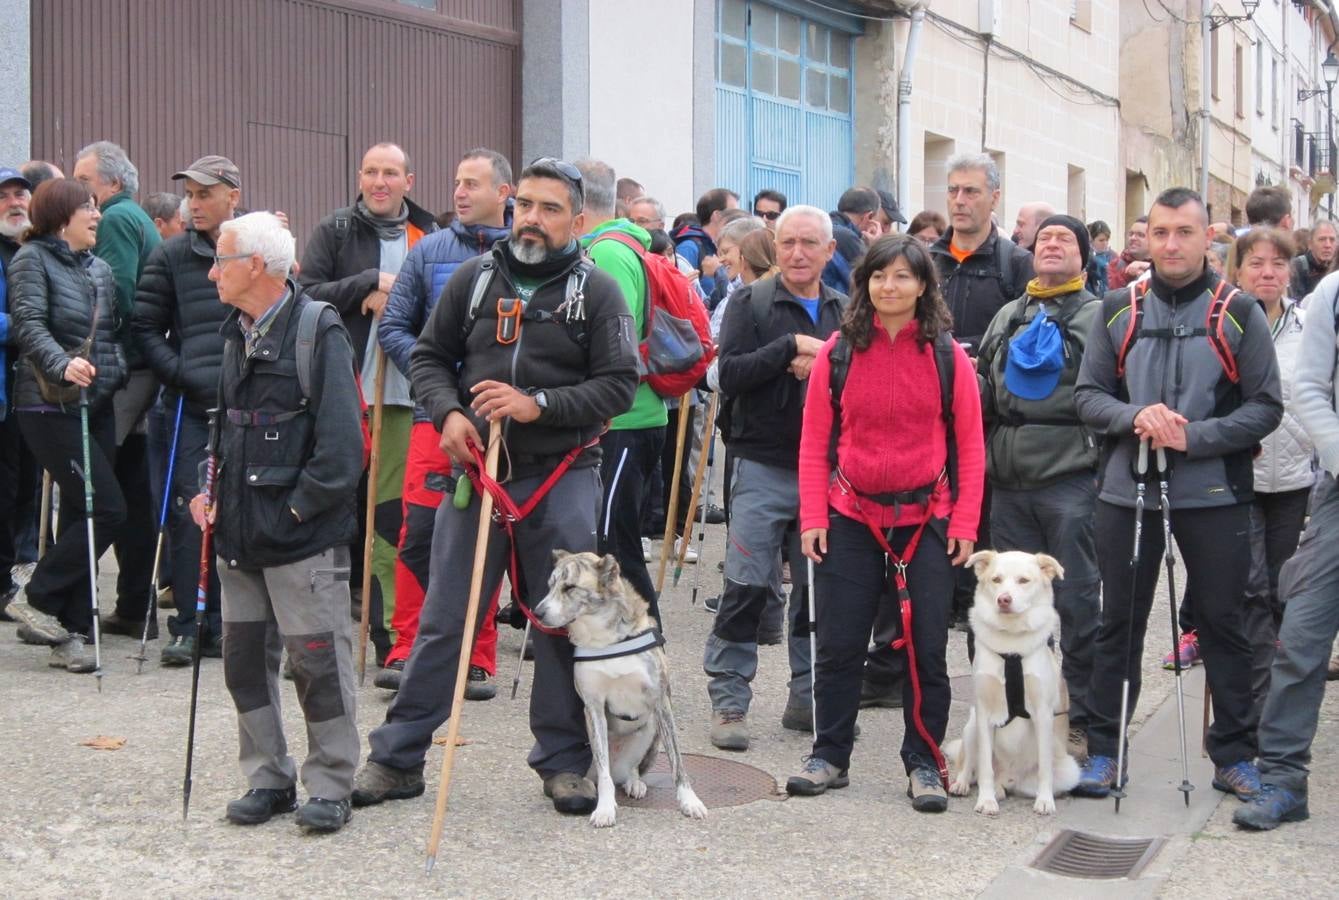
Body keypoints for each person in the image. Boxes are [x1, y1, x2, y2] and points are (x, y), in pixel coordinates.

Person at [351, 158, 639, 818]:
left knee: (559, 624)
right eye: (526, 205)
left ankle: (563, 763)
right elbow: (425, 357)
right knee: (444, 621)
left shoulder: (597, 294)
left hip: (561, 476)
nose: (532, 218)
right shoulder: (472, 281)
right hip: (477, 477)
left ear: (579, 221)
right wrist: (447, 412)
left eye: (549, 208)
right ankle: (396, 759)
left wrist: (539, 403)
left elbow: (619, 383)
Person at [1071, 187, 1282, 799]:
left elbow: (1266, 407)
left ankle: (1234, 755)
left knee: (1224, 623)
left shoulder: (1240, 311)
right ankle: (1105, 752)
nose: (1170, 244)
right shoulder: (1117, 307)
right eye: (1160, 232)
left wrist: (1191, 436)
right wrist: (1137, 418)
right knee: (1120, 623)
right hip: (1125, 490)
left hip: (1215, 491)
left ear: (1206, 236)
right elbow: (1088, 397)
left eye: (1184, 232)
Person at [786, 234, 984, 810]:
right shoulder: (837, 352)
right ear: (864, 284)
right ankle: (829, 755)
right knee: (840, 643)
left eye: (901, 276)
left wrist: (965, 521)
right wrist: (813, 514)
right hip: (849, 518)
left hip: (927, 520)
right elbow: (814, 441)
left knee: (925, 648)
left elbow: (969, 446)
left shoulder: (948, 357)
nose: (888, 286)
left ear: (923, 286)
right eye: (878, 276)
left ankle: (925, 761)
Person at [190, 212, 364, 833]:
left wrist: (292, 512)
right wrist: (205, 488)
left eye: (222, 259)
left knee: (317, 663)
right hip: (237, 533)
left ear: (255, 266)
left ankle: (331, 783)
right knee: (242, 663)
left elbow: (344, 452)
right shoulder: (235, 330)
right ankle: (268, 777)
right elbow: (223, 426)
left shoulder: (319, 330)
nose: (212, 271)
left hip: (300, 539)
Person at [706, 205, 847, 751]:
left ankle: (808, 697)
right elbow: (731, 375)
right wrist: (787, 350)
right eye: (787, 242)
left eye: (809, 243)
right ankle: (729, 701)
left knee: (820, 592)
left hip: (826, 472)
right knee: (746, 586)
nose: (797, 253)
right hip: (761, 465)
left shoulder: (844, 310)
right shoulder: (749, 302)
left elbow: (859, 379)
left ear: (829, 251)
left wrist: (826, 363)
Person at [375, 148, 512, 694]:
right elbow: (395, 327)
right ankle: (409, 646)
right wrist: (436, 379)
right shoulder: (427, 250)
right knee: (419, 533)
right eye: (457, 181)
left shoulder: (525, 258)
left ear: (504, 193)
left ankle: (478, 654)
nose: (459, 192)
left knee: (485, 536)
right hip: (434, 419)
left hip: (497, 422)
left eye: (472, 183)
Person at [299, 142, 438, 663]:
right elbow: (305, 294)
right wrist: (366, 285)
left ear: (409, 179)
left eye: (390, 173)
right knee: (326, 511)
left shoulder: (429, 236)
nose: (379, 181)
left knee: (387, 518)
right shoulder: (335, 230)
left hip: (402, 396)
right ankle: (314, 635)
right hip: (339, 393)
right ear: (359, 177)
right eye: (370, 172)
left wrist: (401, 302)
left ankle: (387, 636)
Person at [975, 215, 1101, 760]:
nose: (1051, 244)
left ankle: (1085, 720)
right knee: (1011, 605)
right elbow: (981, 376)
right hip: (1008, 479)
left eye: (1064, 239)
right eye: (1044, 237)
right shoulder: (1010, 313)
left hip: (1070, 477)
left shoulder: (1101, 315)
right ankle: (1017, 716)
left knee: (1075, 602)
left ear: (1084, 257)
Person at [3, 178, 127, 673]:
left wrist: (113, 383)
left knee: (82, 514)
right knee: (108, 508)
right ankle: (37, 595)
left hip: (94, 404)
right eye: (88, 208)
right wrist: (62, 365)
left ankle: (71, 632)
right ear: (60, 215)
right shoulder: (32, 259)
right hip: (47, 404)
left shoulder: (99, 269)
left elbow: (113, 337)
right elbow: (29, 323)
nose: (97, 216)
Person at [1234, 258, 1339, 830]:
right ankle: (1282, 780)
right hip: (1337, 493)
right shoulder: (1333, 294)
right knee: (1300, 638)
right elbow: (1310, 389)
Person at [132, 154, 244, 665]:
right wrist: (181, 373)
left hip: (246, 403)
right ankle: (189, 623)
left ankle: (230, 624)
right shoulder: (171, 254)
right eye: (191, 195)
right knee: (189, 513)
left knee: (239, 510)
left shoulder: (253, 249)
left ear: (232, 197)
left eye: (205, 194)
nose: (194, 204)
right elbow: (144, 329)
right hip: (187, 404)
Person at [73, 141, 162, 644]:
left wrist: (100, 350)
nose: (77, 190)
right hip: (140, 367)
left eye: (83, 180)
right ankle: (132, 604)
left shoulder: (116, 220)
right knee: (129, 486)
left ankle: (72, 602)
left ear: (110, 183)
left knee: (95, 485)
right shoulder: (135, 218)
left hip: (122, 369)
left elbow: (117, 293)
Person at [574, 158, 669, 624]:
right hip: (628, 416)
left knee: (615, 540)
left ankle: (644, 637)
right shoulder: (610, 246)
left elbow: (613, 341)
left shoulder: (607, 253)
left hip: (626, 418)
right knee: (611, 536)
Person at [1234, 230, 1313, 717]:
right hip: (1241, 477)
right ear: (1238, 269)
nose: (1268, 273)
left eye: (1278, 264)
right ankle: (1257, 703)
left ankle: (1283, 699)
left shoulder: (1310, 325)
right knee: (1251, 590)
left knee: (1286, 587)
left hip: (1295, 478)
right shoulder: (1224, 322)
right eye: (1257, 263)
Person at [0, 167, 34, 618]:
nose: (14, 202)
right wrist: (28, 327)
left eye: (20, 194)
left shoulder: (31, 249)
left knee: (19, 488)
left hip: (29, 392)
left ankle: (8, 579)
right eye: (5, 195)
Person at [673, 187, 738, 297]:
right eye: (733, 213)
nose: (737, 218)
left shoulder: (715, 246)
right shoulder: (689, 247)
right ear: (717, 215)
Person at [823, 187, 881, 293]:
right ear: (869, 216)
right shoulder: (846, 237)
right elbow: (870, 277)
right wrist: (875, 247)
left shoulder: (824, 226)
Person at [1290, 219, 1336, 300]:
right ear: (1310, 244)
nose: (1328, 245)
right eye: (1322, 239)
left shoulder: (1337, 268)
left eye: (1332, 240)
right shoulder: (1298, 267)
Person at [1107, 217, 1150, 290]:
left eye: (1140, 235)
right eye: (1131, 234)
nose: (1133, 238)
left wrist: (1149, 267)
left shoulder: (1162, 265)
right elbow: (1110, 295)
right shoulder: (1116, 264)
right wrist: (1127, 274)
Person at [1086, 220, 1112, 295]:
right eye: (1101, 240)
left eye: (1107, 240)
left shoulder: (1112, 256)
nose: (1105, 243)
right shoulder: (1087, 259)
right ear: (1091, 240)